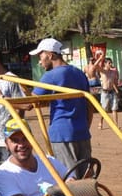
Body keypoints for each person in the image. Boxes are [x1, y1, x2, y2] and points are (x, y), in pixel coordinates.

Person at [29, 38, 93, 177]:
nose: (40, 61)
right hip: (82, 131)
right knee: (86, 176)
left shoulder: (51, 76)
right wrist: (85, 126)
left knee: (69, 177)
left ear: (50, 55)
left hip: (62, 133)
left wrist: (1, 99)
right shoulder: (79, 73)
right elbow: (89, 105)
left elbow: (28, 103)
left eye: (41, 55)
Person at [98, 57, 120, 130]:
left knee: (114, 108)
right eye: (109, 63)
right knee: (104, 109)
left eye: (111, 63)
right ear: (105, 64)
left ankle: (116, 125)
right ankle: (101, 122)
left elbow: (112, 82)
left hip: (112, 91)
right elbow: (96, 66)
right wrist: (100, 58)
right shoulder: (103, 71)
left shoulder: (113, 72)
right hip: (105, 92)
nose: (110, 64)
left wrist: (116, 90)